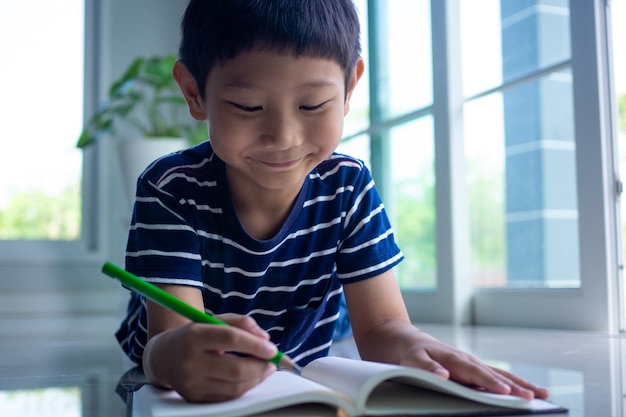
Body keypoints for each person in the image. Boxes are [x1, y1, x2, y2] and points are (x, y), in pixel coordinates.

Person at [115, 0, 550, 404]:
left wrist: (416, 345)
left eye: (312, 104)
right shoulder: (170, 187)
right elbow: (169, 341)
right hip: (170, 328)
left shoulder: (348, 185)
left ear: (348, 88)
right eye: (248, 106)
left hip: (298, 334)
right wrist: (166, 359)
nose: (283, 138)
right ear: (194, 93)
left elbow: (381, 327)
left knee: (342, 317)